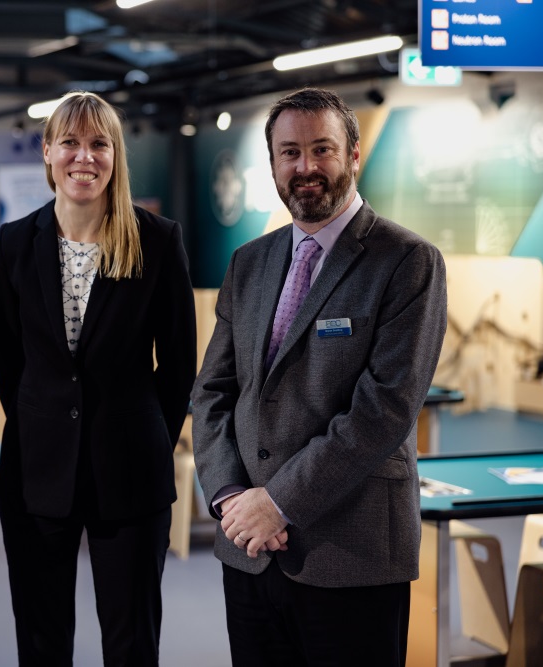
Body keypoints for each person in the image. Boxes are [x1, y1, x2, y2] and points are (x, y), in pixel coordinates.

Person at [191, 87, 448, 666]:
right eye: (289, 153)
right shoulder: (249, 263)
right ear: (274, 164)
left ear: (354, 156)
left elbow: (382, 410)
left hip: (351, 554)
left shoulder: (407, 262)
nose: (305, 167)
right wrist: (233, 497)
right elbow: (213, 391)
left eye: (321, 150)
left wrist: (278, 503)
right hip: (251, 548)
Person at [0, 91, 196, 666]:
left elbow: (178, 365)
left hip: (130, 473)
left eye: (99, 144)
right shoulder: (14, 244)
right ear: (48, 152)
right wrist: (46, 424)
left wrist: (148, 434)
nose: (85, 157)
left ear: (115, 155)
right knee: (41, 640)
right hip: (36, 472)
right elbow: (8, 359)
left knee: (131, 644)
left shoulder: (156, 241)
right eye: (71, 143)